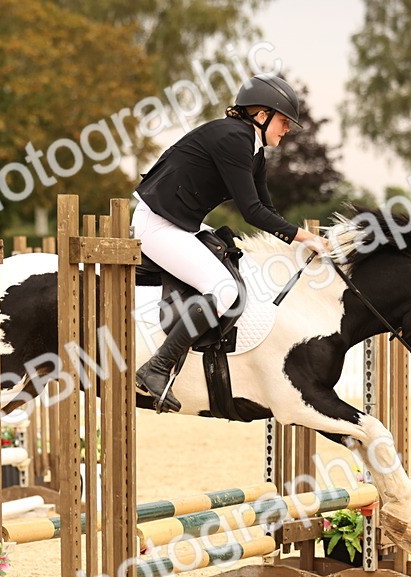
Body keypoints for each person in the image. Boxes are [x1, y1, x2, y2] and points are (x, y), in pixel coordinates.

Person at [133, 73, 330, 412]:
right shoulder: (233, 139)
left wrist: (298, 243)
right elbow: (252, 212)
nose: (287, 129)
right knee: (224, 290)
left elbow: (268, 209)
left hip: (178, 222)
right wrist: (304, 236)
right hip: (157, 223)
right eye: (284, 121)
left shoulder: (253, 150)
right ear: (261, 114)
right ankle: (157, 367)